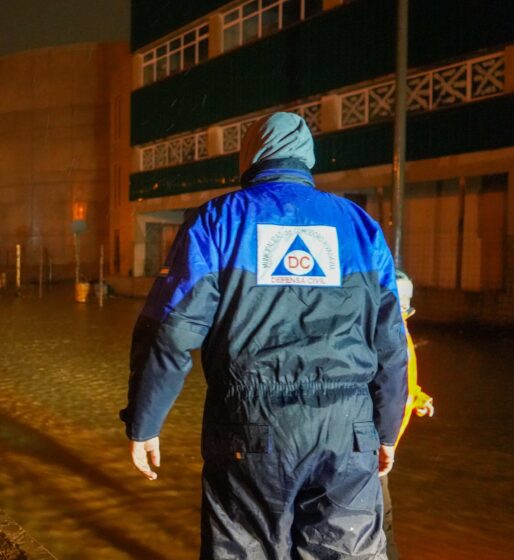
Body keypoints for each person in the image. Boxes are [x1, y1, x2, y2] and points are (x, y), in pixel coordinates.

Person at [120, 112, 408, 559]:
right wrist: (385, 430)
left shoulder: (219, 220)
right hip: (347, 431)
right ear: (307, 158)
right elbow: (390, 341)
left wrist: (145, 421)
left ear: (249, 157)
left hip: (249, 428)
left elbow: (170, 330)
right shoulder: (358, 225)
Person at [382, 270, 434, 559]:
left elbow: (401, 383)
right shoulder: (384, 331)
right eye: (399, 297)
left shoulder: (399, 328)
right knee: (382, 520)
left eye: (407, 299)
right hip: (373, 446)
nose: (404, 304)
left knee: (381, 519)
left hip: (384, 444)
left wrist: (418, 399)